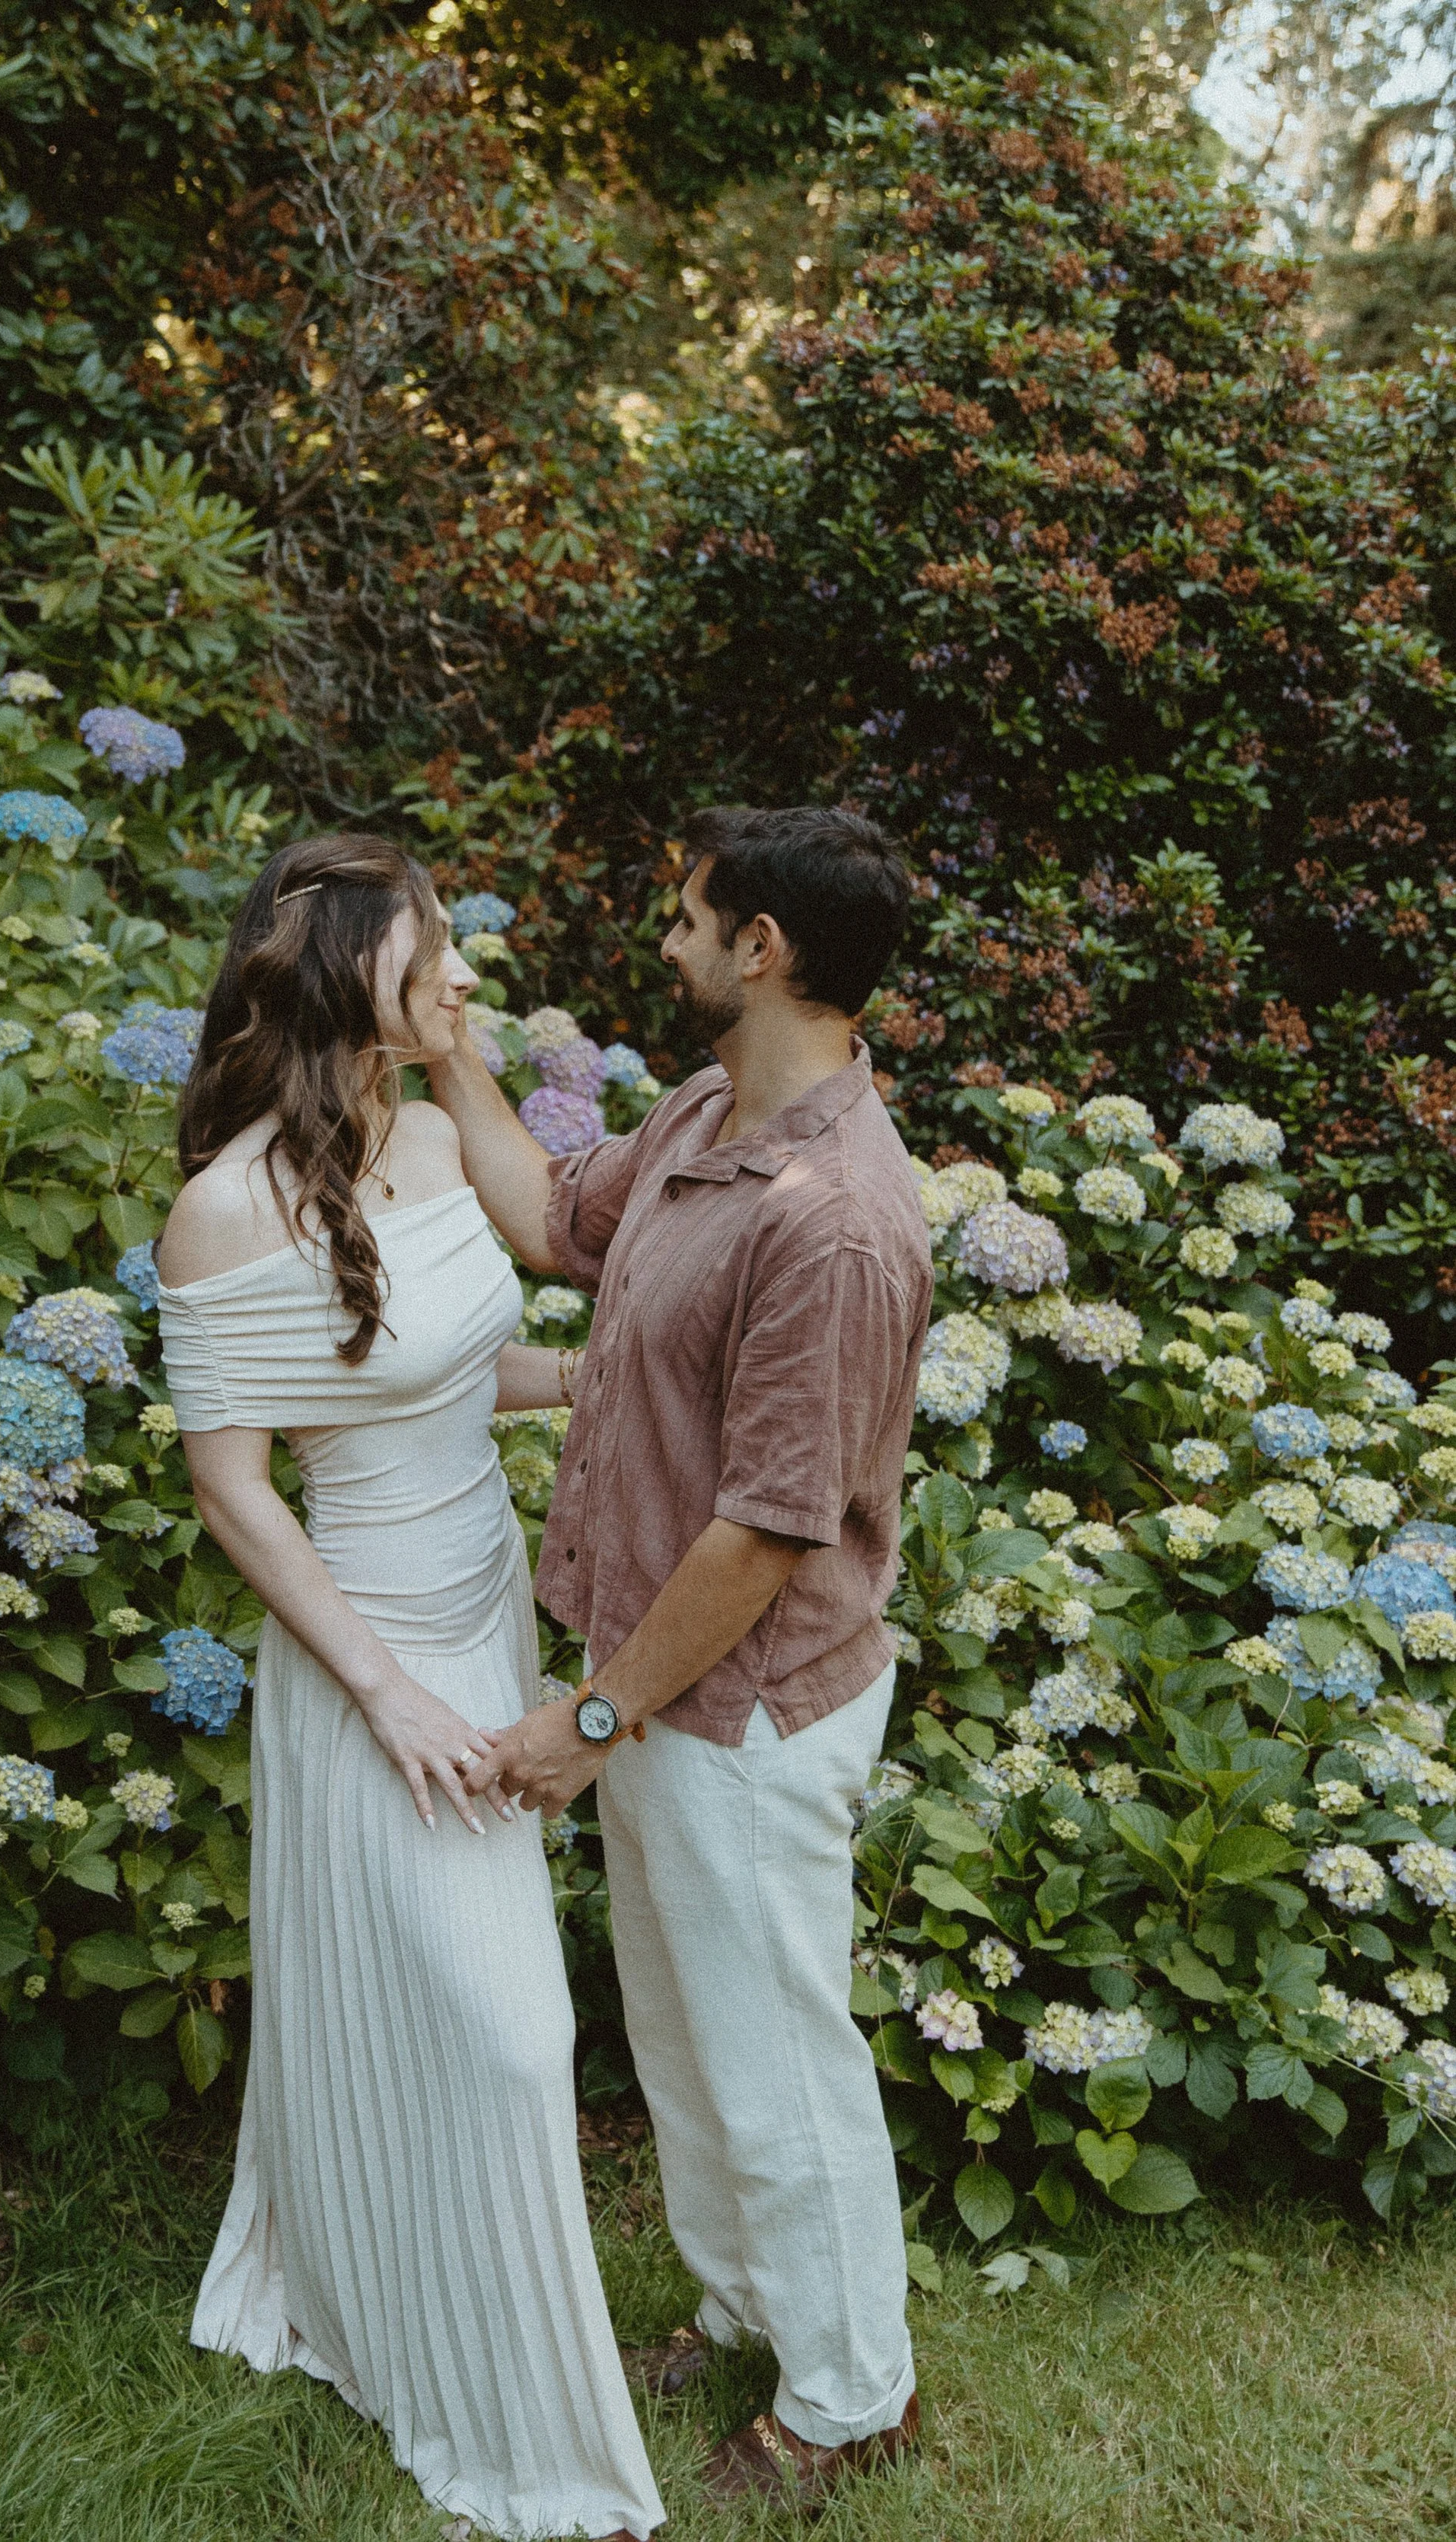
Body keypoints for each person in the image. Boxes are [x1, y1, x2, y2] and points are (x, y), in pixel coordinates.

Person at [154, 831, 664, 2542]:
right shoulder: (220, 1211)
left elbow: (457, 1364)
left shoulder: (439, 1134)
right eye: (427, 946)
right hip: (361, 1648)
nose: (457, 970)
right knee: (515, 2040)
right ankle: (498, 2411)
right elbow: (236, 1489)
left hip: (483, 1607)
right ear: (334, 972)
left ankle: (380, 2263)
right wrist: (379, 1694)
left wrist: (606, 1380)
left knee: (460, 2004)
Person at [431, 803, 931, 2510]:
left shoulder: (835, 1220)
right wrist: (449, 1055)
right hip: (657, 1679)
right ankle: (746, 2315)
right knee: (687, 2030)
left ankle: (850, 2395)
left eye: (688, 916)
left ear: (762, 949)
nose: (666, 942)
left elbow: (767, 1530)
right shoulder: (708, 1112)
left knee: (773, 2049)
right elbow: (546, 1220)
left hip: (740, 1705)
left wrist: (589, 1713)